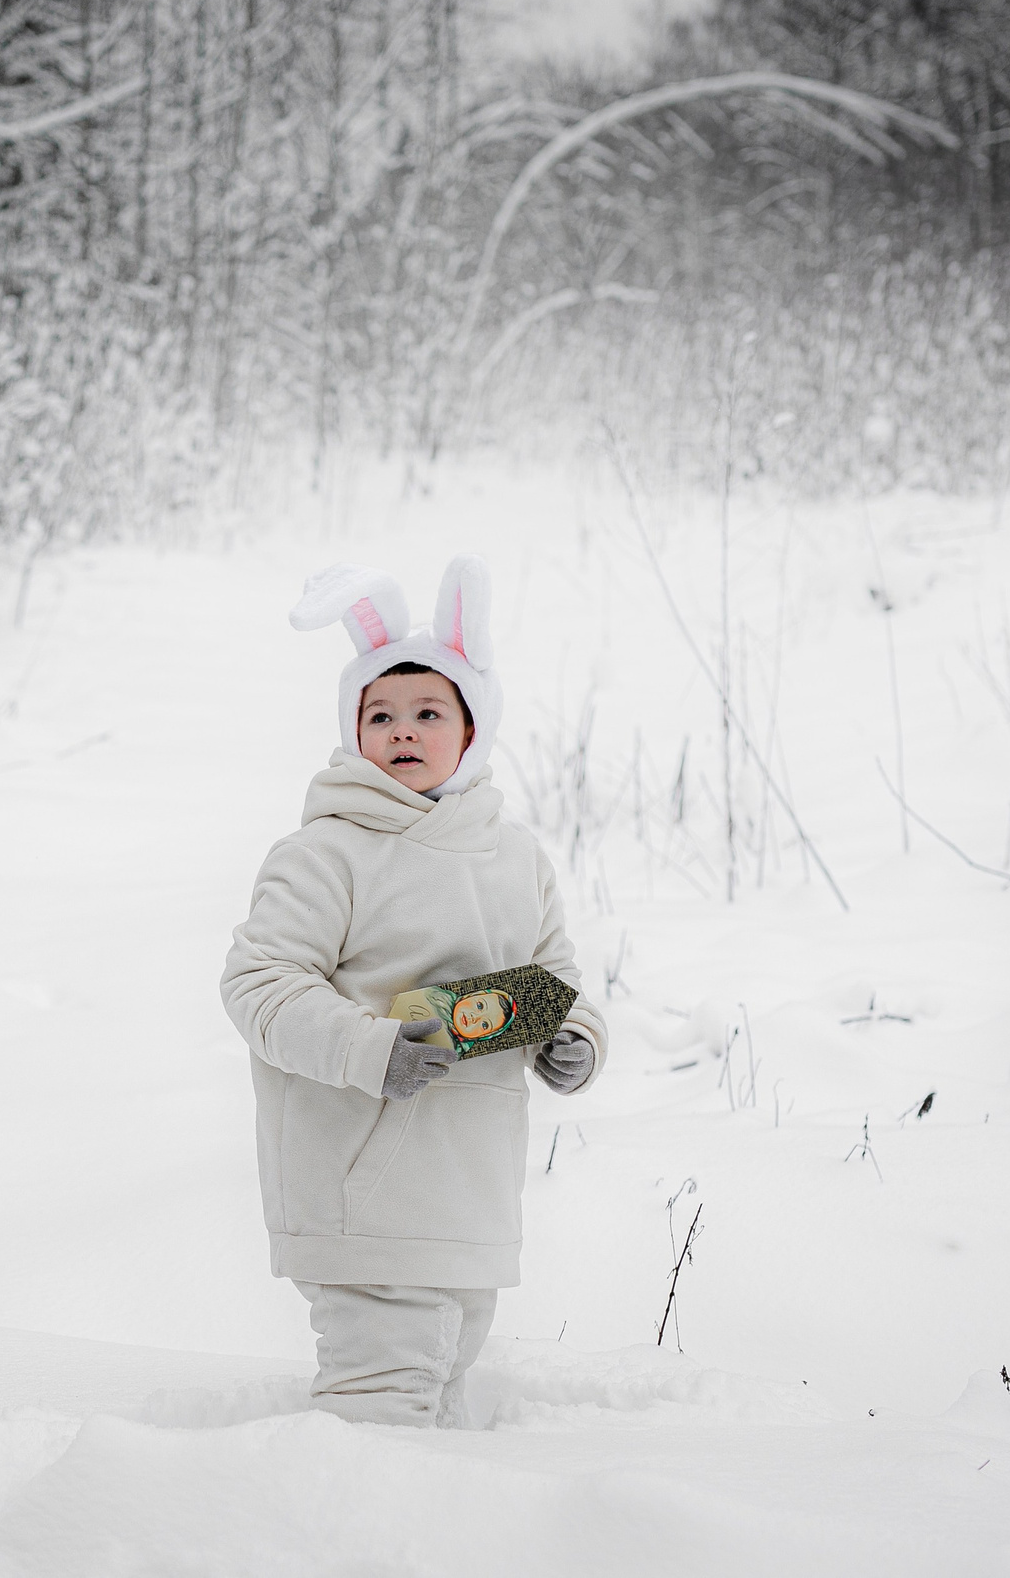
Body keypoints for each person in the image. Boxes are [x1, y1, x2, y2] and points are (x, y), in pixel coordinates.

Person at [219, 557, 610, 1429]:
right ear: (352, 731)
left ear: (473, 729)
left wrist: (572, 1034)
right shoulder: (325, 851)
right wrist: (370, 1047)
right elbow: (258, 983)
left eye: (428, 712)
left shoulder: (516, 856)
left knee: (442, 1400)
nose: (402, 729)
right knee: (380, 1408)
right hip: (361, 1186)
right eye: (380, 714)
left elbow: (556, 979)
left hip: (470, 1194)